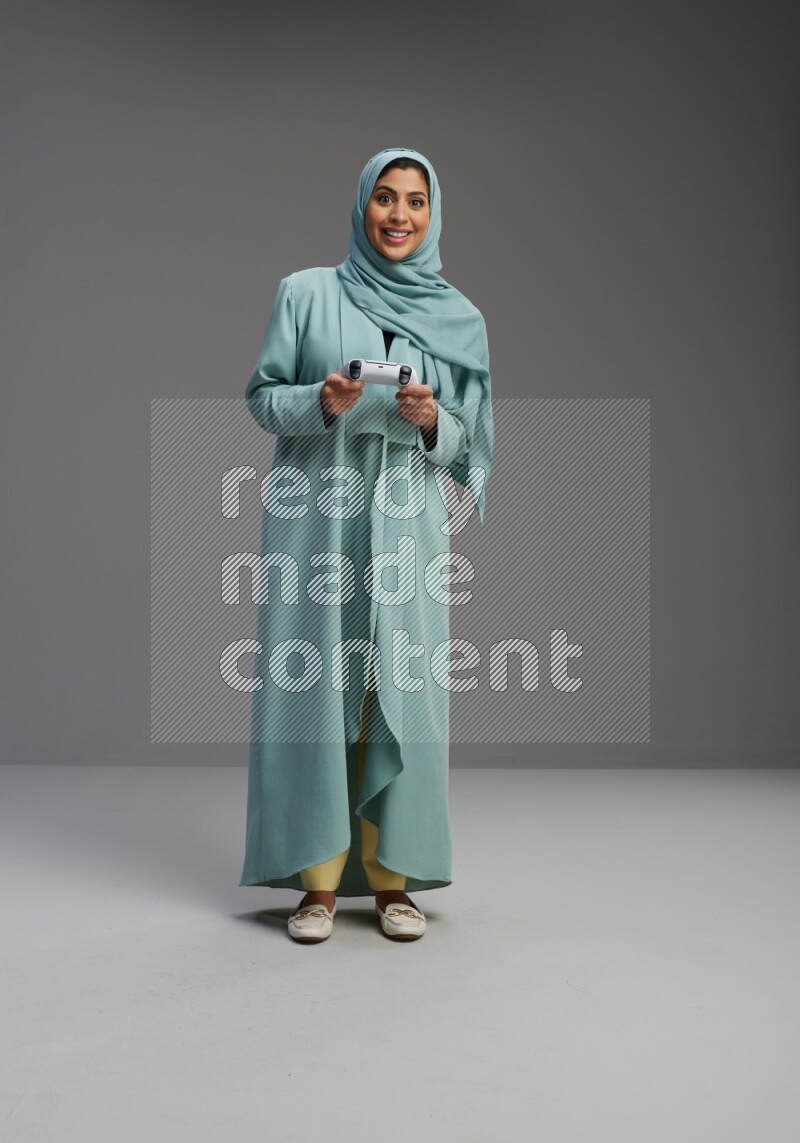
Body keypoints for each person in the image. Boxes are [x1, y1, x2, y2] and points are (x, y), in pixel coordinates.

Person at [238, 147, 494, 942]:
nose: (399, 215)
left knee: (398, 693)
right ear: (362, 205)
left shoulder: (460, 318)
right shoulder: (307, 294)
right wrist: (322, 397)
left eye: (415, 201)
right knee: (313, 692)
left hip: (408, 531)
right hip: (316, 520)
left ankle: (394, 882)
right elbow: (260, 400)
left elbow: (472, 442)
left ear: (433, 213)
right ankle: (315, 884)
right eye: (385, 198)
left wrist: (429, 420)